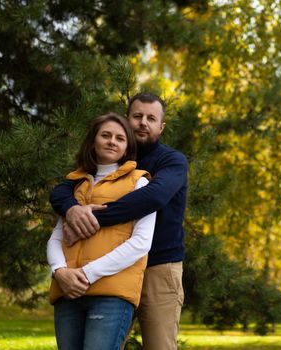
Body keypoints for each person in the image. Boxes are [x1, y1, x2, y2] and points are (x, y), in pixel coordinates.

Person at [49, 92, 188, 350]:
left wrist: (89, 217)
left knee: (160, 345)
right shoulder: (109, 162)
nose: (143, 123)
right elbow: (60, 191)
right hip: (112, 266)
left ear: (162, 126)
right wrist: (71, 210)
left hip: (159, 267)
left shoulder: (172, 161)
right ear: (127, 119)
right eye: (137, 116)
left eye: (151, 118)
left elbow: (153, 197)